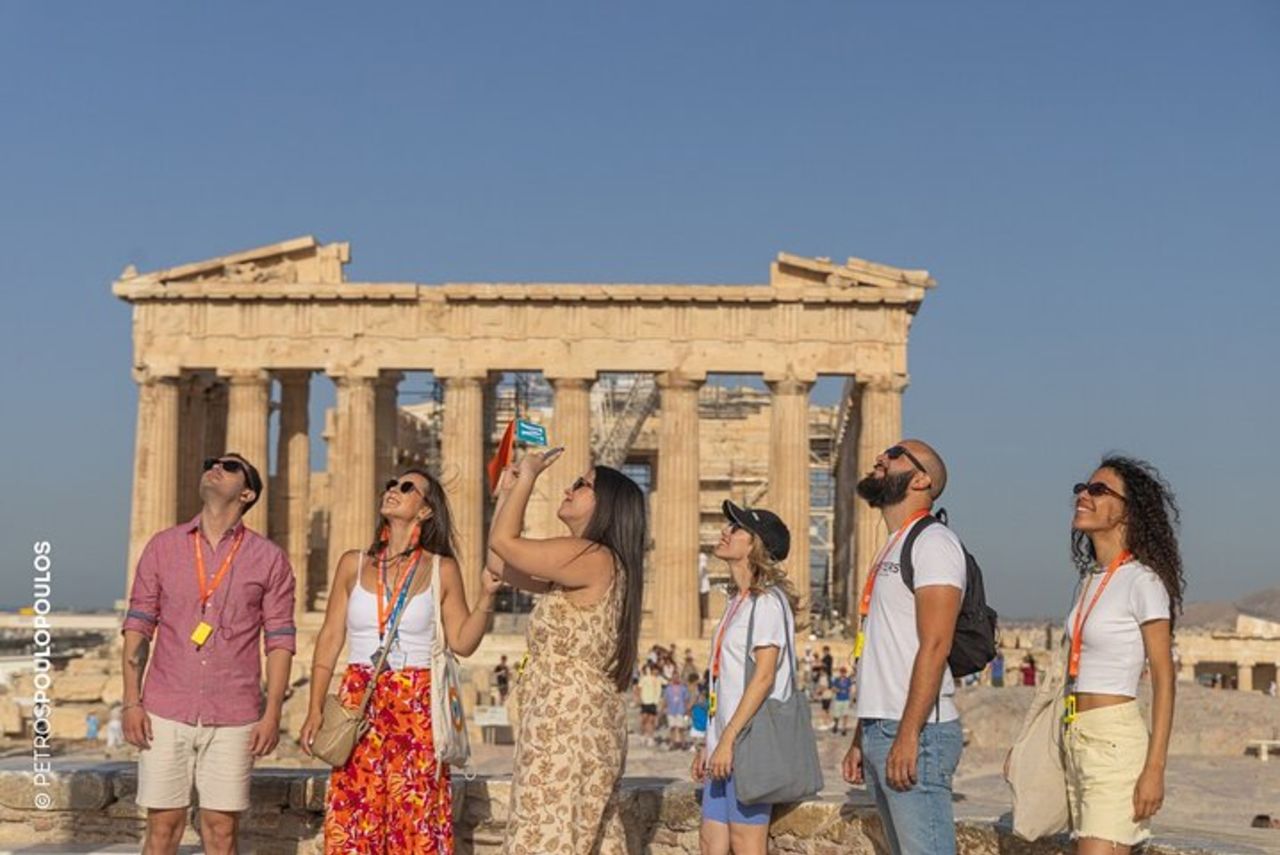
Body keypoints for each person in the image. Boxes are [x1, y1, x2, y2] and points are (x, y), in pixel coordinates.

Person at [300, 468, 500, 853]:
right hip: (359, 699)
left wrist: (487, 599)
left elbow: (462, 641)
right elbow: (329, 639)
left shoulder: (441, 569)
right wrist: (314, 708)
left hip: (417, 703)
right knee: (355, 816)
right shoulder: (352, 564)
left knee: (417, 816)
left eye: (407, 488)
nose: (393, 489)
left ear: (425, 511)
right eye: (391, 483)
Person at [122, 453, 296, 855]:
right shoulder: (163, 546)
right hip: (165, 706)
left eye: (230, 467)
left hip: (234, 712)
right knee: (163, 828)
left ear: (247, 492)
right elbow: (138, 625)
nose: (215, 467)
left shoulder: (269, 559)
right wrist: (131, 700)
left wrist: (272, 714)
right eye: (211, 462)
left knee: (221, 832)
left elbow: (281, 639)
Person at [488, 451, 647, 855]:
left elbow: (505, 544)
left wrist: (528, 478)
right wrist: (506, 495)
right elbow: (499, 564)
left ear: (606, 505)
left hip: (569, 721)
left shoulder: (592, 558)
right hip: (564, 717)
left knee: (550, 834)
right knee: (570, 834)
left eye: (582, 484)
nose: (569, 488)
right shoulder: (587, 563)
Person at [841, 440, 965, 855]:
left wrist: (909, 734)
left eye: (893, 454)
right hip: (885, 724)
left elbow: (935, 643)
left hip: (918, 730)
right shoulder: (891, 545)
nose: (879, 457)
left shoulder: (934, 543)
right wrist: (863, 732)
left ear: (921, 479)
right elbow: (885, 650)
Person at [1059, 456, 1183, 853]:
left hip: (1114, 742)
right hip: (1077, 737)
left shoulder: (1142, 582)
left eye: (1099, 490)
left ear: (1127, 511)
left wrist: (1155, 768)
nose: (1084, 495)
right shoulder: (1088, 581)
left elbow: (1165, 680)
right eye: (1083, 487)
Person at [693, 501, 800, 855]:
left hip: (747, 744)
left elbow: (764, 678)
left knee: (746, 845)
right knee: (712, 844)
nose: (725, 531)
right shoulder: (735, 603)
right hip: (722, 746)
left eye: (736, 528)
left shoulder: (767, 603)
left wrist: (727, 739)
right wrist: (706, 742)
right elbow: (723, 682)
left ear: (754, 545)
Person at [663, 673, 692, 750]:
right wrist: (664, 709)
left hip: (680, 710)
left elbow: (686, 700)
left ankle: (683, 743)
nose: (676, 679)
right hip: (671, 710)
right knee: (672, 727)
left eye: (677, 677)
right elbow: (665, 700)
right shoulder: (668, 689)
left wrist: (687, 710)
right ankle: (672, 743)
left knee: (681, 728)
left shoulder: (683, 689)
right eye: (674, 677)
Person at [638, 664, 664, 747]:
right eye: (654, 670)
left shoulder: (660, 679)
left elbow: (667, 683)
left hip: (654, 702)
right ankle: (643, 735)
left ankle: (650, 737)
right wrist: (640, 699)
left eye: (657, 670)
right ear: (651, 670)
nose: (656, 672)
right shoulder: (645, 678)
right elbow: (639, 688)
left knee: (652, 720)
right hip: (645, 701)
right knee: (644, 719)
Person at [831, 666, 854, 736]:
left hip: (845, 699)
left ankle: (844, 728)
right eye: (842, 672)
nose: (843, 673)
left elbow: (850, 690)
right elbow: (833, 688)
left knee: (845, 715)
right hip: (838, 699)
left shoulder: (848, 680)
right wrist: (837, 690)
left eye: (844, 672)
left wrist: (851, 700)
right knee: (836, 715)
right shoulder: (837, 680)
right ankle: (836, 725)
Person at [689, 677, 709, 753]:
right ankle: (694, 745)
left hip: (704, 717)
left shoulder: (708, 699)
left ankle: (701, 745)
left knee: (704, 732)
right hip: (697, 717)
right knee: (695, 732)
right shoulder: (696, 697)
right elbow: (691, 706)